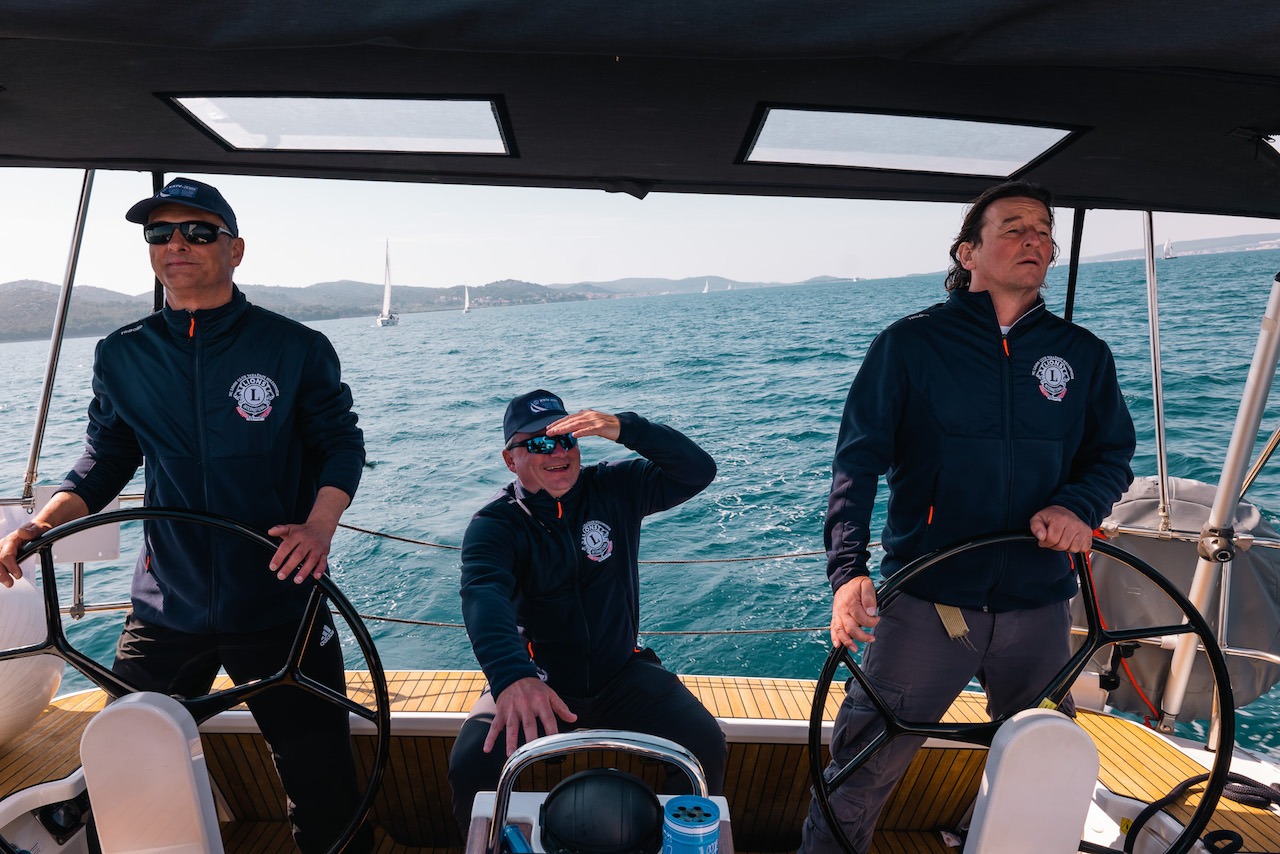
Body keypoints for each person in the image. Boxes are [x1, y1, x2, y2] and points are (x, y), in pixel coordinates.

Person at [0, 177, 370, 853]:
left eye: (199, 231)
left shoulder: (296, 347)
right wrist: (43, 524)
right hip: (168, 602)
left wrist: (320, 527)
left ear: (235, 250)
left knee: (324, 785)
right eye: (160, 232)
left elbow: (340, 445)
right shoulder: (123, 354)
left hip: (280, 597)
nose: (177, 244)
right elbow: (105, 458)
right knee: (124, 766)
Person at [800, 181, 1136, 853]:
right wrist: (847, 573)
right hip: (930, 602)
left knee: (1042, 765)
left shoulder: (1083, 355)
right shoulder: (910, 345)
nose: (1034, 240)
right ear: (968, 253)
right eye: (1013, 228)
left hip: (1039, 605)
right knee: (862, 770)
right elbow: (856, 464)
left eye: (1043, 231)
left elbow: (1111, 456)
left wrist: (1078, 506)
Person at [447, 389, 727, 836]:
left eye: (566, 438)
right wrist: (512, 676)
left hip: (622, 674)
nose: (557, 452)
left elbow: (697, 470)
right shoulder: (494, 524)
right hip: (539, 681)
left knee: (704, 743)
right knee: (470, 763)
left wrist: (625, 427)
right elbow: (483, 594)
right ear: (510, 459)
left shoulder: (616, 487)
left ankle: (682, 841)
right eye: (538, 443)